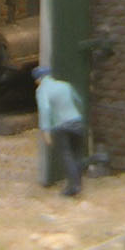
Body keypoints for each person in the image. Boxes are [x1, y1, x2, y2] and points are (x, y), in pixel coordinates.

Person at [34, 66, 87, 197]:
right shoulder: (66, 85)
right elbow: (79, 100)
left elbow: (45, 109)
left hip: (61, 125)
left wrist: (45, 130)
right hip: (77, 121)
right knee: (77, 154)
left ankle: (74, 186)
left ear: (38, 80)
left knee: (66, 154)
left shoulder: (42, 90)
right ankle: (78, 183)